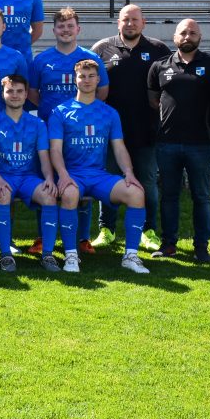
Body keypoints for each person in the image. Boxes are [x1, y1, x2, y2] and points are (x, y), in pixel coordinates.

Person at [48, 59, 151, 274]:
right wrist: (63, 175)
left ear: (98, 80)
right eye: (82, 76)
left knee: (136, 194)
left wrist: (129, 173)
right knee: (69, 194)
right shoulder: (60, 112)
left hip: (99, 176)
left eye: (91, 76)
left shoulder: (109, 113)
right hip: (73, 175)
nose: (86, 80)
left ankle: (131, 256)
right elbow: (55, 150)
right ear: (75, 80)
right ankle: (71, 255)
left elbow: (119, 147)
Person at [27, 7, 108, 254]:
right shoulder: (41, 59)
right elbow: (33, 93)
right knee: (47, 182)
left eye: (70, 26)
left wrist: (82, 115)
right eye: (61, 26)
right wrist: (54, 114)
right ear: (53, 30)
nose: (65, 30)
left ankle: (82, 238)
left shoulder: (90, 58)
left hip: (80, 133)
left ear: (78, 29)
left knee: (82, 179)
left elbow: (102, 91)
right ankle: (43, 237)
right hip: (48, 130)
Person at [90, 4, 170, 252]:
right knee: (109, 181)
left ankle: (148, 230)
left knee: (147, 183)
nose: (130, 24)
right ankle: (107, 229)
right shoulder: (102, 48)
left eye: (135, 19)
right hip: (110, 133)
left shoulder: (159, 50)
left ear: (143, 22)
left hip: (147, 131)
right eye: (125, 19)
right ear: (118, 22)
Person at [147, 18, 210, 262]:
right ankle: (168, 244)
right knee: (169, 196)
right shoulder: (159, 66)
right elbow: (154, 100)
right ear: (175, 37)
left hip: (200, 143)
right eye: (183, 33)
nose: (187, 36)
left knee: (201, 196)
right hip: (167, 143)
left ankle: (201, 247)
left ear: (200, 37)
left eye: (192, 33)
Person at [0, 74, 60, 273]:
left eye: (19, 91)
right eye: (10, 91)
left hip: (28, 178)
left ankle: (48, 255)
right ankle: (5, 255)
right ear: (3, 94)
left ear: (26, 94)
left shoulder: (37, 124)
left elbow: (44, 158)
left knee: (49, 196)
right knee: (2, 195)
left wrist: (49, 179)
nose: (15, 95)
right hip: (4, 176)